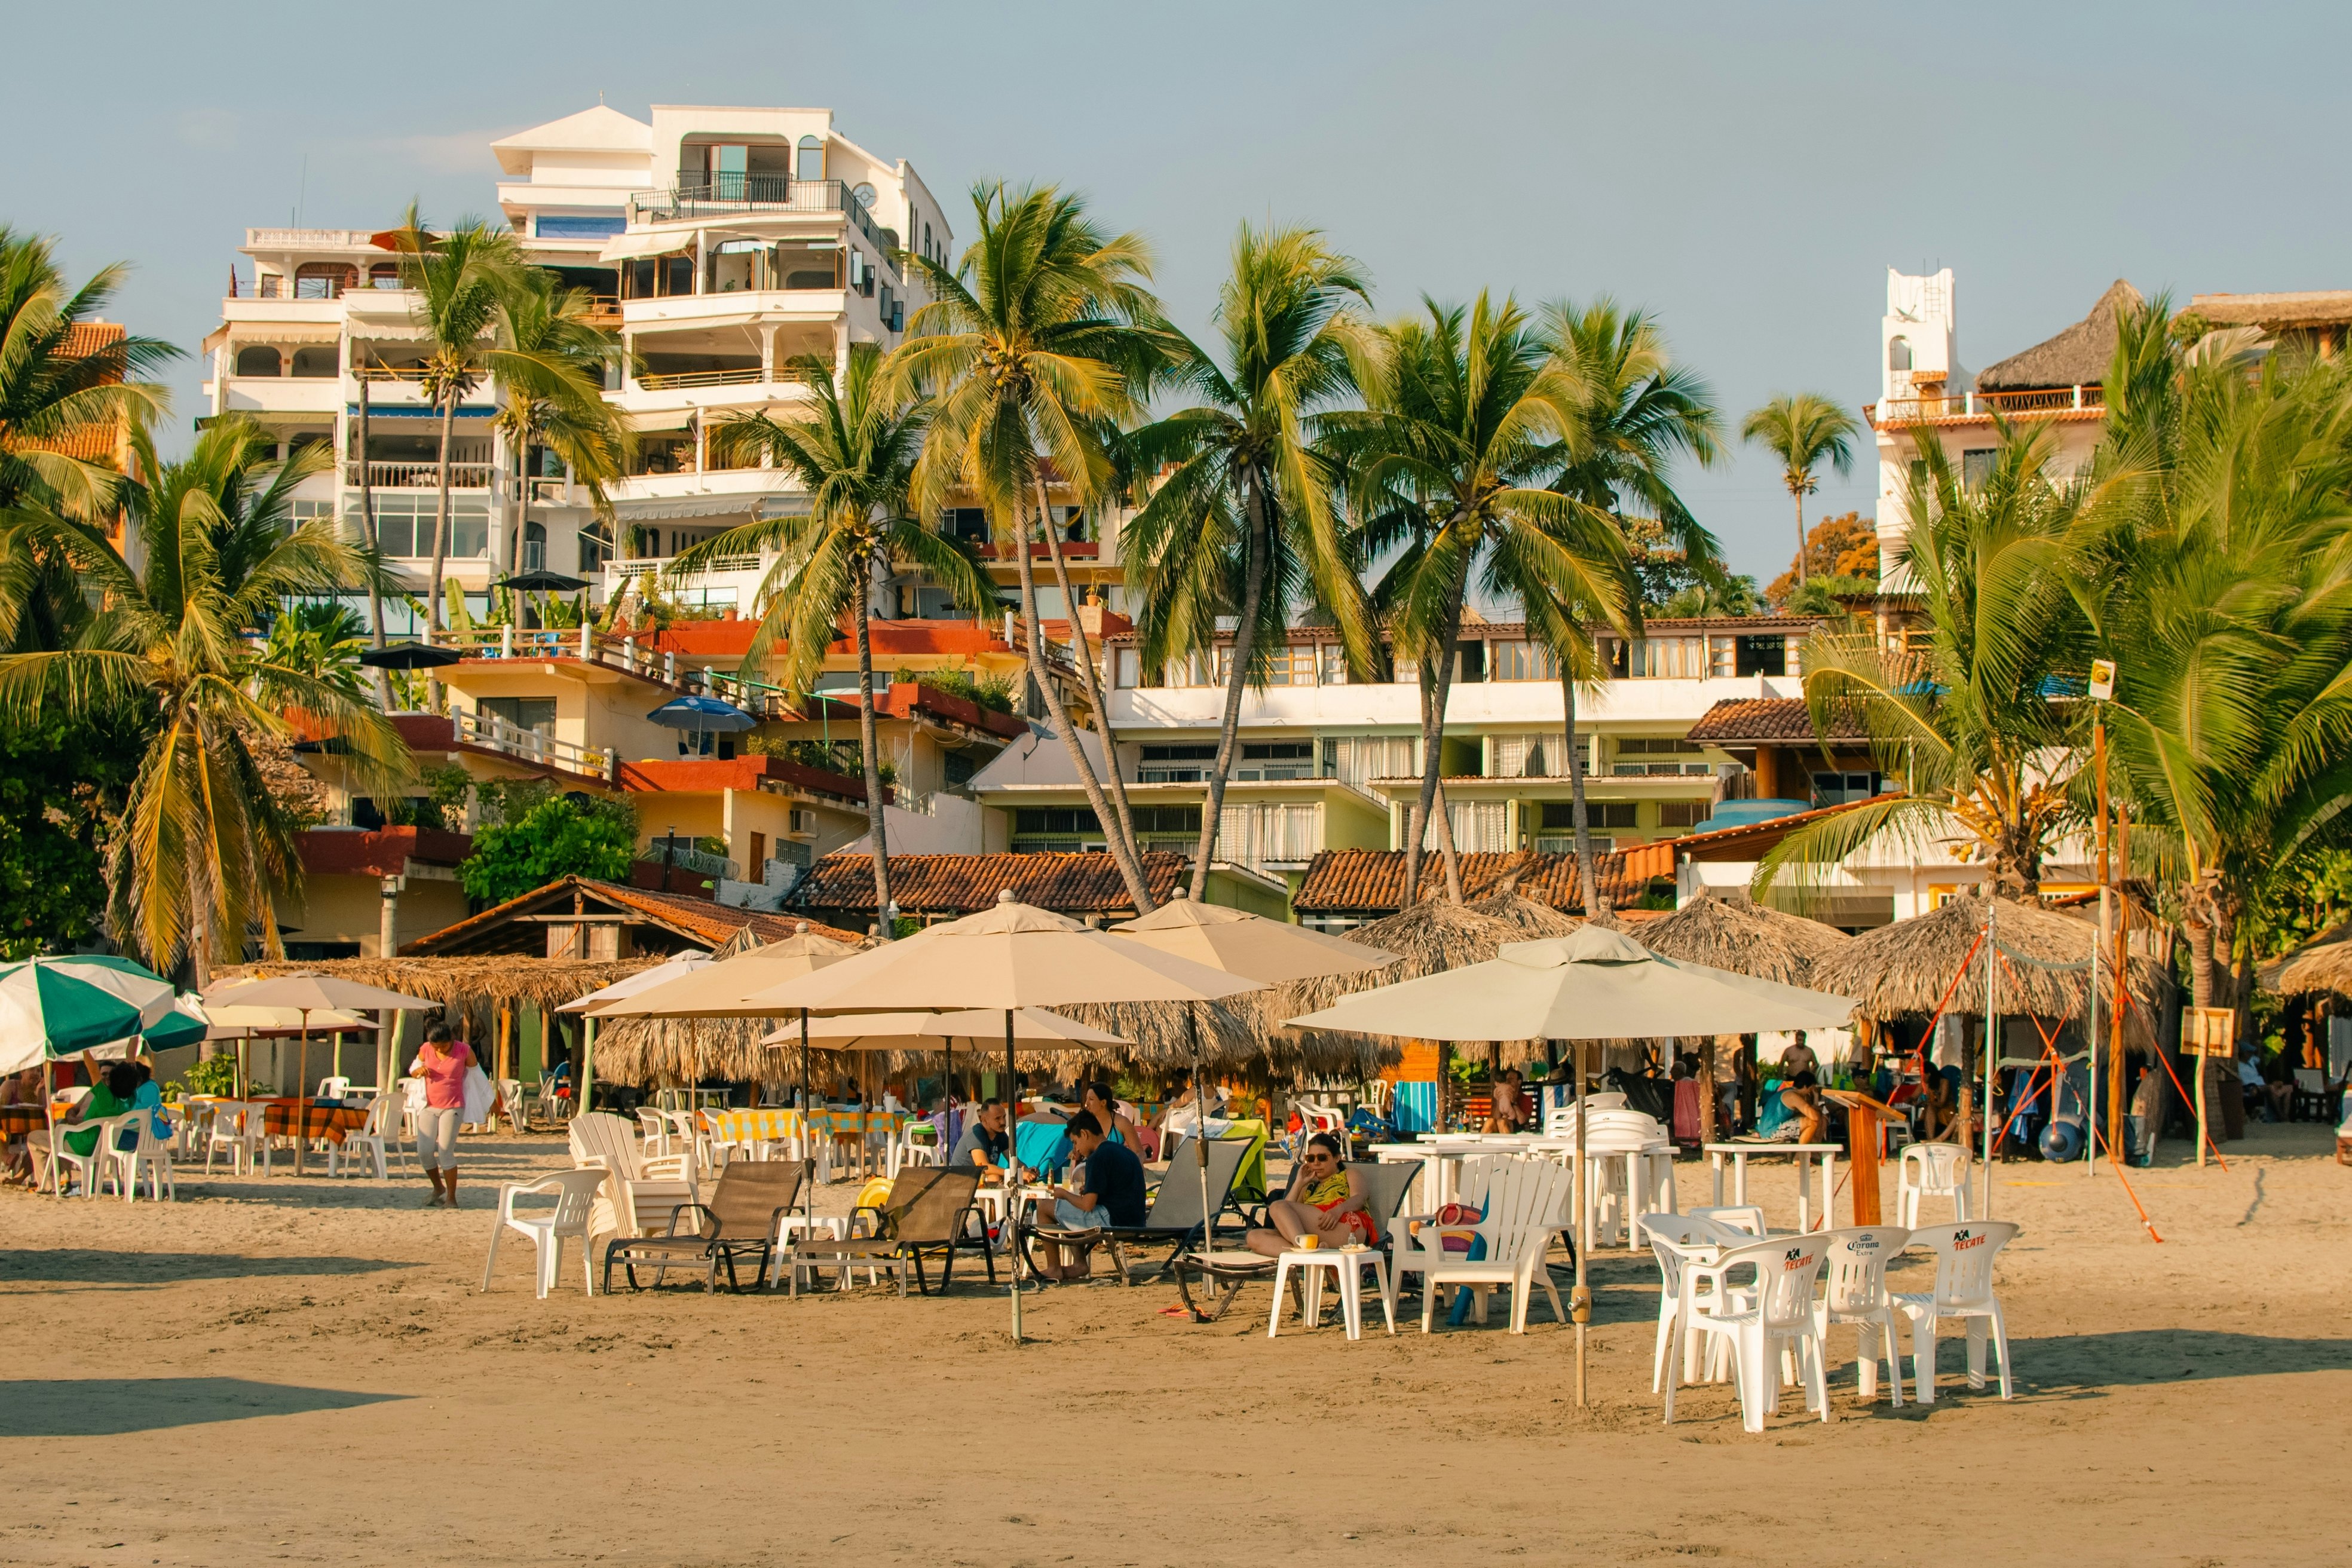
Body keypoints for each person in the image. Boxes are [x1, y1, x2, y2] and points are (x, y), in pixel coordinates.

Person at [1033, 1110, 1146, 1282]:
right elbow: (1118, 1189)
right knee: (1070, 1210)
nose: (1075, 1148)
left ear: (1084, 1134)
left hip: (1112, 1221)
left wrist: (1064, 1195)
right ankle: (1078, 1264)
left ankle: (1055, 1268)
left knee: (1045, 1208)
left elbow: (1087, 1205)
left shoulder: (1097, 1157)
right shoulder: (1125, 1152)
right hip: (1135, 1220)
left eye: (1075, 1142)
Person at [1247, 1132, 1376, 1258]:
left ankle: (1304, 1250)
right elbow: (1282, 1221)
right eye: (1310, 1158)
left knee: (1277, 1206)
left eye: (1322, 1158)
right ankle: (1311, 1252)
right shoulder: (1308, 1187)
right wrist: (1298, 1183)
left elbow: (1359, 1198)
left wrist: (1338, 1210)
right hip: (1318, 1232)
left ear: (1337, 1157)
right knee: (1254, 1237)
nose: (1316, 1163)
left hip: (1347, 1227)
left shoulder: (1349, 1174)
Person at [29, 1056, 136, 1192]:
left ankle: (47, 1185)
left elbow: (91, 1067)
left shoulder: (105, 1097)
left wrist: (85, 1048)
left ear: (111, 1081)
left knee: (34, 1138)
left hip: (82, 1146)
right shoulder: (130, 1101)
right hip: (104, 1148)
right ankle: (61, 1180)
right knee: (59, 1135)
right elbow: (130, 1073)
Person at [409, 1024, 473, 1208]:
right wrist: (417, 1072)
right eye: (435, 1046)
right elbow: (415, 1067)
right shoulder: (426, 1048)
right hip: (429, 1106)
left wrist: (489, 1100)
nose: (439, 1049)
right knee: (424, 1152)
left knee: (445, 1151)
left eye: (443, 1046)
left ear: (451, 1040)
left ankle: (451, 1197)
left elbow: (477, 1076)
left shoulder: (464, 1050)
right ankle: (438, 1187)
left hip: (453, 1106)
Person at [951, 1098, 1011, 1179]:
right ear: (984, 1120)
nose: (1003, 1122)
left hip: (979, 1178)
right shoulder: (976, 1135)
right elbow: (983, 1167)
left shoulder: (1000, 1134)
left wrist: (1025, 1170)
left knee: (1019, 1178)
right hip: (963, 1181)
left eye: (1004, 1117)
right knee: (994, 1178)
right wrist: (1011, 1173)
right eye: (997, 1119)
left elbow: (1014, 1160)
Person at [1484, 1068, 1532, 1134]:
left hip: (1515, 1127)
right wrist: (1499, 1101)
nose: (1508, 1081)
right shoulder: (1500, 1095)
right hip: (1499, 1123)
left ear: (1519, 1081)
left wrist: (1514, 1102)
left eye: (1511, 1079)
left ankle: (1507, 1144)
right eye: (1507, 1079)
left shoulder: (1526, 1098)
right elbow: (1495, 1117)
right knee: (1489, 1121)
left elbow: (1522, 1121)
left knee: (1502, 1122)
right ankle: (1478, 1143)